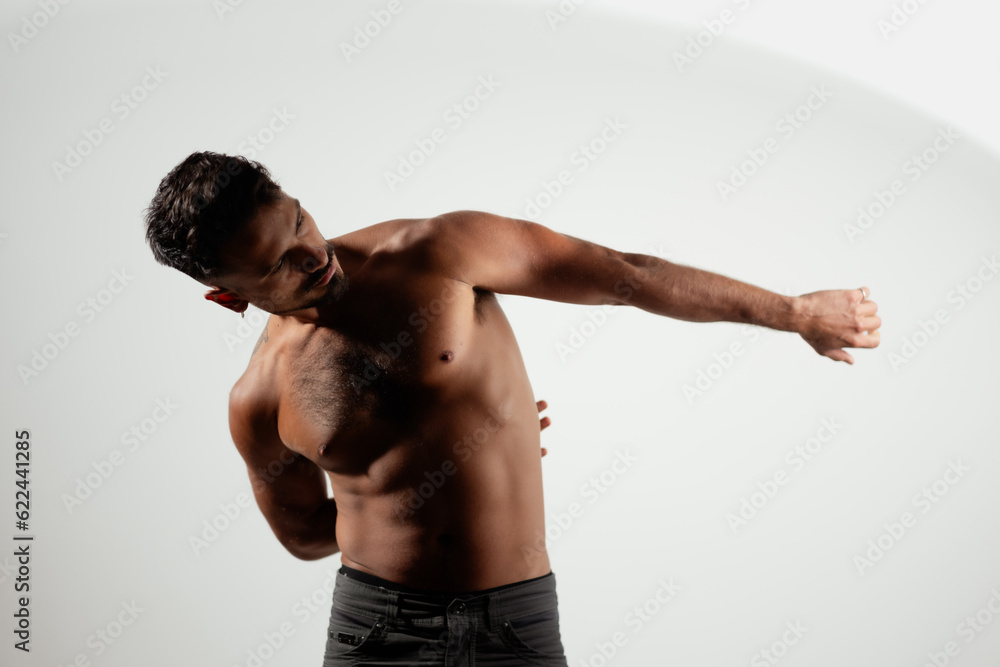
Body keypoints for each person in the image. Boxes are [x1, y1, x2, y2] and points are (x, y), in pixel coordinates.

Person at [143, 151, 881, 666]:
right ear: (227, 296)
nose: (312, 254)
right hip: (376, 631)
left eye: (299, 222)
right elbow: (303, 533)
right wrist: (418, 482)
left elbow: (624, 276)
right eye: (275, 264)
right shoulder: (258, 397)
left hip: (515, 613)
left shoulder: (439, 250)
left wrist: (792, 311)